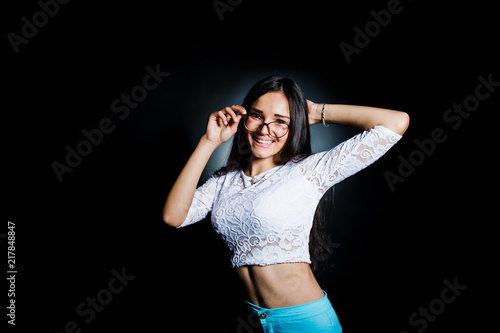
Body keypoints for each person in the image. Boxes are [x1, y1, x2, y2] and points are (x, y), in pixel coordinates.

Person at [163, 76, 409, 332]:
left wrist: (314, 111)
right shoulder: (224, 181)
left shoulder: (309, 171)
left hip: (304, 322)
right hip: (254, 320)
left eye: (280, 121)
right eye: (257, 116)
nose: (264, 129)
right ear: (244, 118)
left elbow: (396, 123)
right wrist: (209, 141)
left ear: (294, 127)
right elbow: (174, 216)